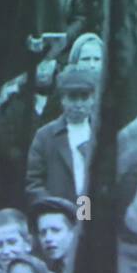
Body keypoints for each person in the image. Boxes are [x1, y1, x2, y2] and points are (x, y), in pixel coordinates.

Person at [25, 65, 96, 205]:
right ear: (62, 99)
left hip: (94, 210)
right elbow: (33, 182)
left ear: (93, 98)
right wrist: (54, 208)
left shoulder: (102, 133)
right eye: (73, 98)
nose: (79, 104)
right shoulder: (45, 136)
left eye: (84, 97)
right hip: (59, 212)